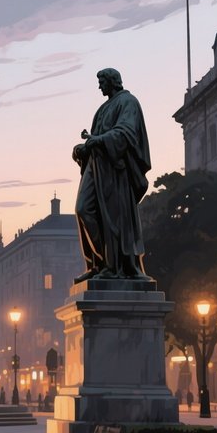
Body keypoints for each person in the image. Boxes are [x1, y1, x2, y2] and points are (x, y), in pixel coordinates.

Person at [72, 68, 151, 282]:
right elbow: (96, 139)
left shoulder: (128, 102)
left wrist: (98, 140)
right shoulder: (103, 108)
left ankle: (112, 264)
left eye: (102, 81)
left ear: (112, 81)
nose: (99, 86)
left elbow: (126, 133)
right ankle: (99, 263)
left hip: (115, 172)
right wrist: (83, 148)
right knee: (83, 209)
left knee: (112, 217)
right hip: (96, 167)